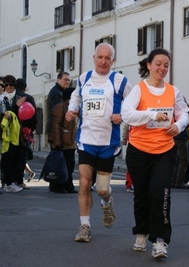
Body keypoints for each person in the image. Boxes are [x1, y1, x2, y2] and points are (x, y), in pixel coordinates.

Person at [121, 48, 189, 259]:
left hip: (164, 150)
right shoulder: (139, 90)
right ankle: (141, 232)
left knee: (161, 193)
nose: (162, 68)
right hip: (139, 150)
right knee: (142, 195)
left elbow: (184, 113)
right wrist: (151, 114)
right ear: (149, 65)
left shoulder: (173, 91)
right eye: (158, 64)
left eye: (166, 65)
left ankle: (160, 240)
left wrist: (178, 126)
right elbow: (127, 114)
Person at [65, 43, 132, 242]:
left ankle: (106, 201)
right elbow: (75, 96)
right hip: (86, 139)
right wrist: (72, 109)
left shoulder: (120, 81)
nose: (103, 61)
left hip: (108, 142)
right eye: (100, 57)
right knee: (84, 182)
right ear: (94, 57)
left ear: (113, 60)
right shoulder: (84, 78)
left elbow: (133, 105)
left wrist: (123, 117)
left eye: (107, 58)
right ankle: (84, 226)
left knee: (102, 188)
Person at [1, 75, 37, 192]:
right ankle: (8, 181)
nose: (7, 87)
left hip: (18, 132)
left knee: (15, 157)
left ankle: (13, 181)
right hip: (5, 132)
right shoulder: (3, 98)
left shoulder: (22, 97)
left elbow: (32, 115)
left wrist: (29, 130)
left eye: (10, 85)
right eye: (5, 85)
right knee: (7, 158)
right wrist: (16, 106)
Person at [49, 87, 78, 193]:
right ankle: (58, 186)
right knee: (61, 165)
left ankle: (68, 185)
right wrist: (57, 142)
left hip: (70, 142)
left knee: (69, 165)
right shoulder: (60, 107)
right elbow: (56, 125)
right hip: (63, 142)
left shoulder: (71, 107)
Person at [46, 71, 70, 192]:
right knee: (59, 160)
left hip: (56, 132)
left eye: (68, 80)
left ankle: (54, 184)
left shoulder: (58, 92)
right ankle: (58, 185)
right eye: (65, 79)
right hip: (57, 132)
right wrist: (57, 138)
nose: (67, 82)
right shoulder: (57, 94)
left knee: (57, 159)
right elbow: (56, 118)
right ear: (58, 80)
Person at [171, 96, 189, 189]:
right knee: (184, 160)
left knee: (177, 160)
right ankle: (179, 181)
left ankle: (174, 180)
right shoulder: (182, 111)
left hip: (175, 136)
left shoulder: (173, 110)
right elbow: (186, 122)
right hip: (181, 136)